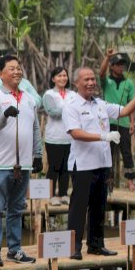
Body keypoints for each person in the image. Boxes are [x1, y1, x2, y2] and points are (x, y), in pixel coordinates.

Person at [63, 67, 135, 260]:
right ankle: (73, 247)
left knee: (99, 206)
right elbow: (75, 132)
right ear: (76, 83)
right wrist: (103, 136)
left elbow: (123, 111)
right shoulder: (71, 104)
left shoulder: (100, 104)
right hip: (82, 165)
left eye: (92, 79)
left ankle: (96, 245)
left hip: (102, 163)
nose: (91, 83)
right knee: (79, 207)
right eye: (86, 80)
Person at [0, 55, 42, 266]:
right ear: (0, 73)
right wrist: (5, 115)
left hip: (24, 163)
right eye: (12, 68)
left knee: (17, 208)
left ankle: (15, 249)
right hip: (1, 163)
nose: (17, 72)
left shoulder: (28, 98)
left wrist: (38, 154)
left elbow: (35, 128)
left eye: (19, 68)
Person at [99, 49, 135, 191]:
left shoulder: (129, 84)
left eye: (122, 64)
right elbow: (101, 73)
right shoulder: (106, 82)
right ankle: (108, 181)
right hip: (108, 122)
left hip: (124, 122)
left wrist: (132, 122)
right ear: (112, 66)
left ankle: (130, 180)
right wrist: (107, 57)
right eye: (118, 64)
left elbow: (131, 104)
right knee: (108, 152)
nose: (121, 67)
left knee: (126, 152)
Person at [43, 67, 76, 206]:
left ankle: (63, 193)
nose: (63, 78)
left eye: (64, 75)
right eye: (59, 76)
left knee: (66, 168)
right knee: (54, 167)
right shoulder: (49, 95)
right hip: (54, 138)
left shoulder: (72, 94)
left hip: (69, 138)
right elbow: (53, 113)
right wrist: (70, 108)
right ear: (53, 79)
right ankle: (51, 195)